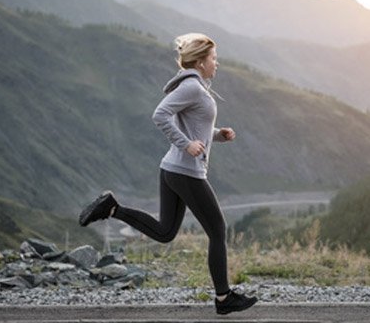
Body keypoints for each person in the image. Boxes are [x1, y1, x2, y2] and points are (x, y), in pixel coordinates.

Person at [78, 33, 257, 315]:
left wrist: (218, 135)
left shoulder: (195, 86)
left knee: (164, 232)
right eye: (213, 59)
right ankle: (224, 298)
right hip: (186, 172)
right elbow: (160, 115)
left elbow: (195, 128)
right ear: (200, 62)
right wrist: (186, 145)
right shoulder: (192, 88)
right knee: (218, 230)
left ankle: (112, 208)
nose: (216, 64)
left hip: (173, 169)